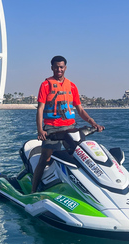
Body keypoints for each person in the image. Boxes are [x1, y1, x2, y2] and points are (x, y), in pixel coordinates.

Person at [31, 55, 104, 193]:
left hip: (70, 128)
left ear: (65, 68)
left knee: (78, 156)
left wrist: (93, 122)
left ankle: (83, 189)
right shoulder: (46, 85)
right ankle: (33, 191)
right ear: (52, 68)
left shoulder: (72, 86)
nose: (59, 69)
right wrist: (40, 130)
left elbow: (80, 109)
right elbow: (40, 108)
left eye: (61, 67)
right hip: (51, 128)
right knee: (45, 158)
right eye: (56, 67)